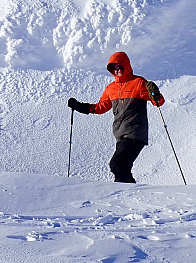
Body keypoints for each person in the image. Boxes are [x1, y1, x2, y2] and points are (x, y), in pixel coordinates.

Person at [68, 51, 165, 183]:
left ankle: (128, 193)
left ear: (126, 65)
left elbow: (158, 102)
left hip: (135, 133)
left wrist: (155, 93)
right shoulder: (111, 89)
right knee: (120, 168)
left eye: (120, 66)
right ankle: (126, 194)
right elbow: (100, 108)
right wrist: (79, 106)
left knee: (118, 164)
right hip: (121, 135)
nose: (117, 70)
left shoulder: (138, 83)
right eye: (114, 67)